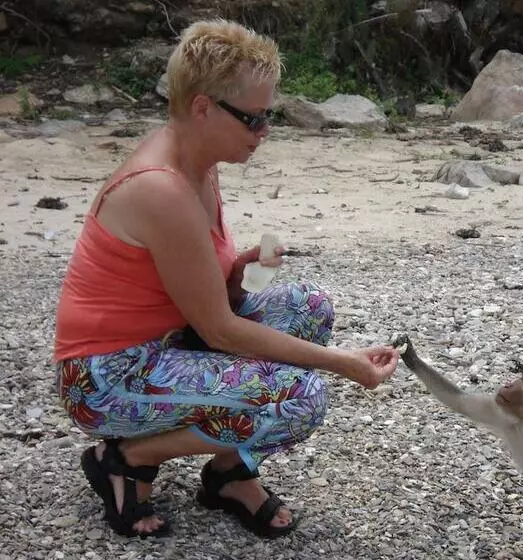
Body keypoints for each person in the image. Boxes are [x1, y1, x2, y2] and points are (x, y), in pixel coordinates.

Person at [52, 19, 399, 540]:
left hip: (166, 341)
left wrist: (237, 271)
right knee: (298, 397)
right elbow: (219, 331)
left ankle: (227, 473)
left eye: (269, 116)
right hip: (105, 377)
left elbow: (203, 295)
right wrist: (343, 364)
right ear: (202, 107)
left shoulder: (200, 160)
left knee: (308, 308)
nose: (265, 132)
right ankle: (126, 458)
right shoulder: (161, 189)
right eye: (254, 119)